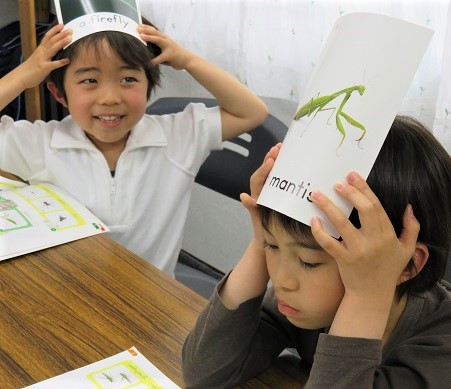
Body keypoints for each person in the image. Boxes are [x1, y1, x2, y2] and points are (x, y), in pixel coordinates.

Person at [182, 116, 451, 388]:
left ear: (406, 265)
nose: (281, 280)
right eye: (274, 247)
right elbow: (205, 371)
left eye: (310, 262)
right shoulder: (305, 301)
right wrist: (261, 237)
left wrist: (366, 296)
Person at [0, 23, 268, 274]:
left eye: (128, 78)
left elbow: (252, 112)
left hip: (154, 304)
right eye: (90, 81)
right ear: (60, 94)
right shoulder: (39, 144)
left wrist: (188, 61)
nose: (110, 98)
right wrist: (24, 75)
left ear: (149, 85)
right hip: (70, 296)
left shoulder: (179, 136)